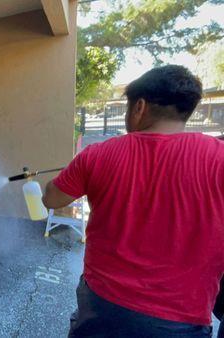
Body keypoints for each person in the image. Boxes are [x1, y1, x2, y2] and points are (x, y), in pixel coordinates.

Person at [42, 65, 224, 337]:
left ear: (139, 107)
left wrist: (55, 180)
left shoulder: (99, 155)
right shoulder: (218, 159)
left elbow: (52, 199)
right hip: (181, 320)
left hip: (102, 308)